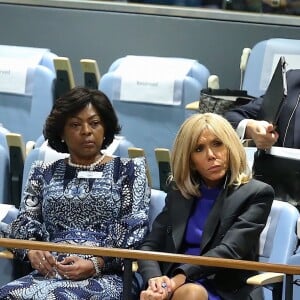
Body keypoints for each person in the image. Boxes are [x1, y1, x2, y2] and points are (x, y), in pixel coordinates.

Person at [0, 87, 151, 299]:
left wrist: (96, 263)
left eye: (94, 123)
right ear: (61, 131)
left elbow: (134, 227)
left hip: (107, 275)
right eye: (75, 124)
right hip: (51, 272)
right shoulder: (43, 172)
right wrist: (32, 251)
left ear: (105, 128)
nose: (86, 131)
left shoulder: (129, 171)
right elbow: (26, 223)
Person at [137, 113, 274, 300]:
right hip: (171, 285)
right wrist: (155, 281)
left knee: (191, 293)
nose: (211, 155)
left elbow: (229, 252)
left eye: (217, 144)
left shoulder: (256, 194)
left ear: (230, 146)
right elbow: (150, 245)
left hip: (222, 287)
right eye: (199, 149)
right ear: (190, 160)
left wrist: (176, 280)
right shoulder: (179, 192)